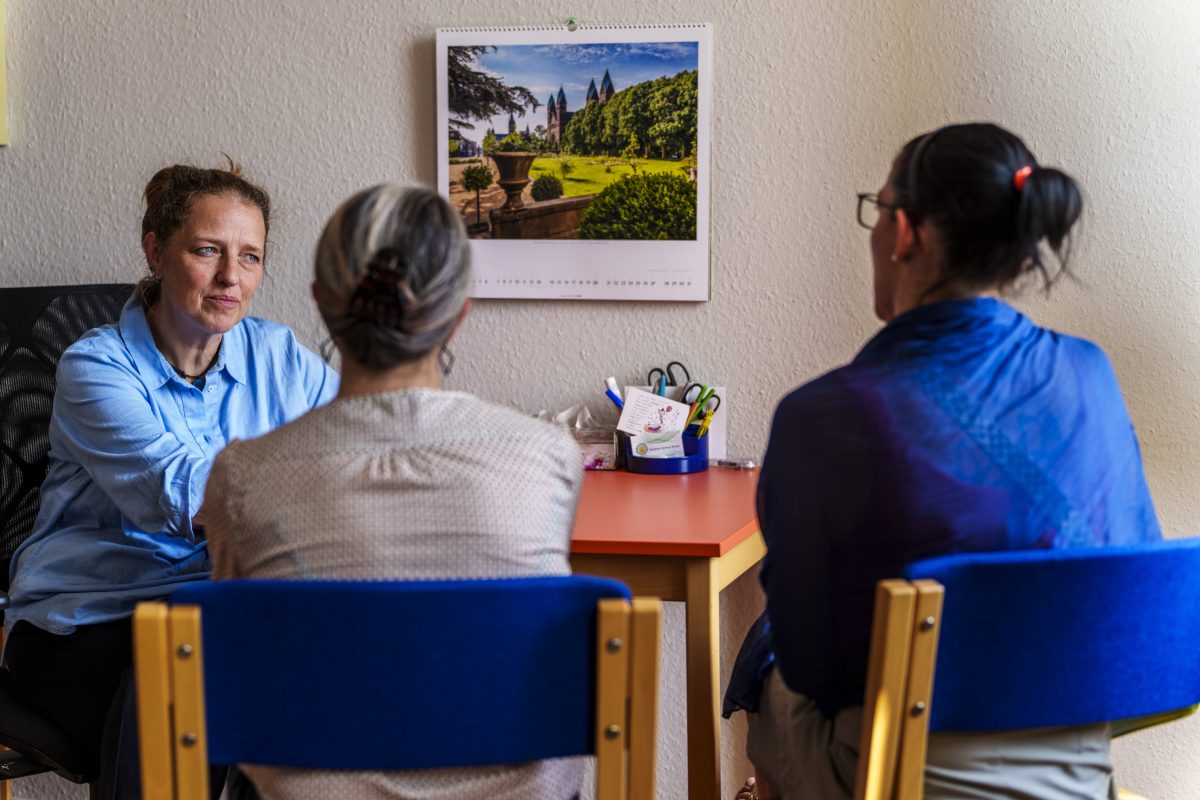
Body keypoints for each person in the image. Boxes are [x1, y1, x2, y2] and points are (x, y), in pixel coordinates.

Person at [725, 123, 1161, 800]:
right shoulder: (1090, 374)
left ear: (906, 234)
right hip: (1071, 773)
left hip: (894, 777)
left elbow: (814, 666)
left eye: (878, 208)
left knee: (768, 647)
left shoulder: (824, 415)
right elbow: (1130, 583)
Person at [204, 184, 585, 800]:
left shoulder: (242, 478)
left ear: (321, 306)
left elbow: (241, 661)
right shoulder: (548, 458)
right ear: (460, 311)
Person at [4, 159, 338, 796]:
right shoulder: (95, 367)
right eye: (208, 251)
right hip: (85, 628)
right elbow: (196, 493)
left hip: (217, 616)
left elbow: (366, 441)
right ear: (156, 250)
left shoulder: (278, 355)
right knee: (222, 666)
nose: (230, 279)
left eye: (250, 257)